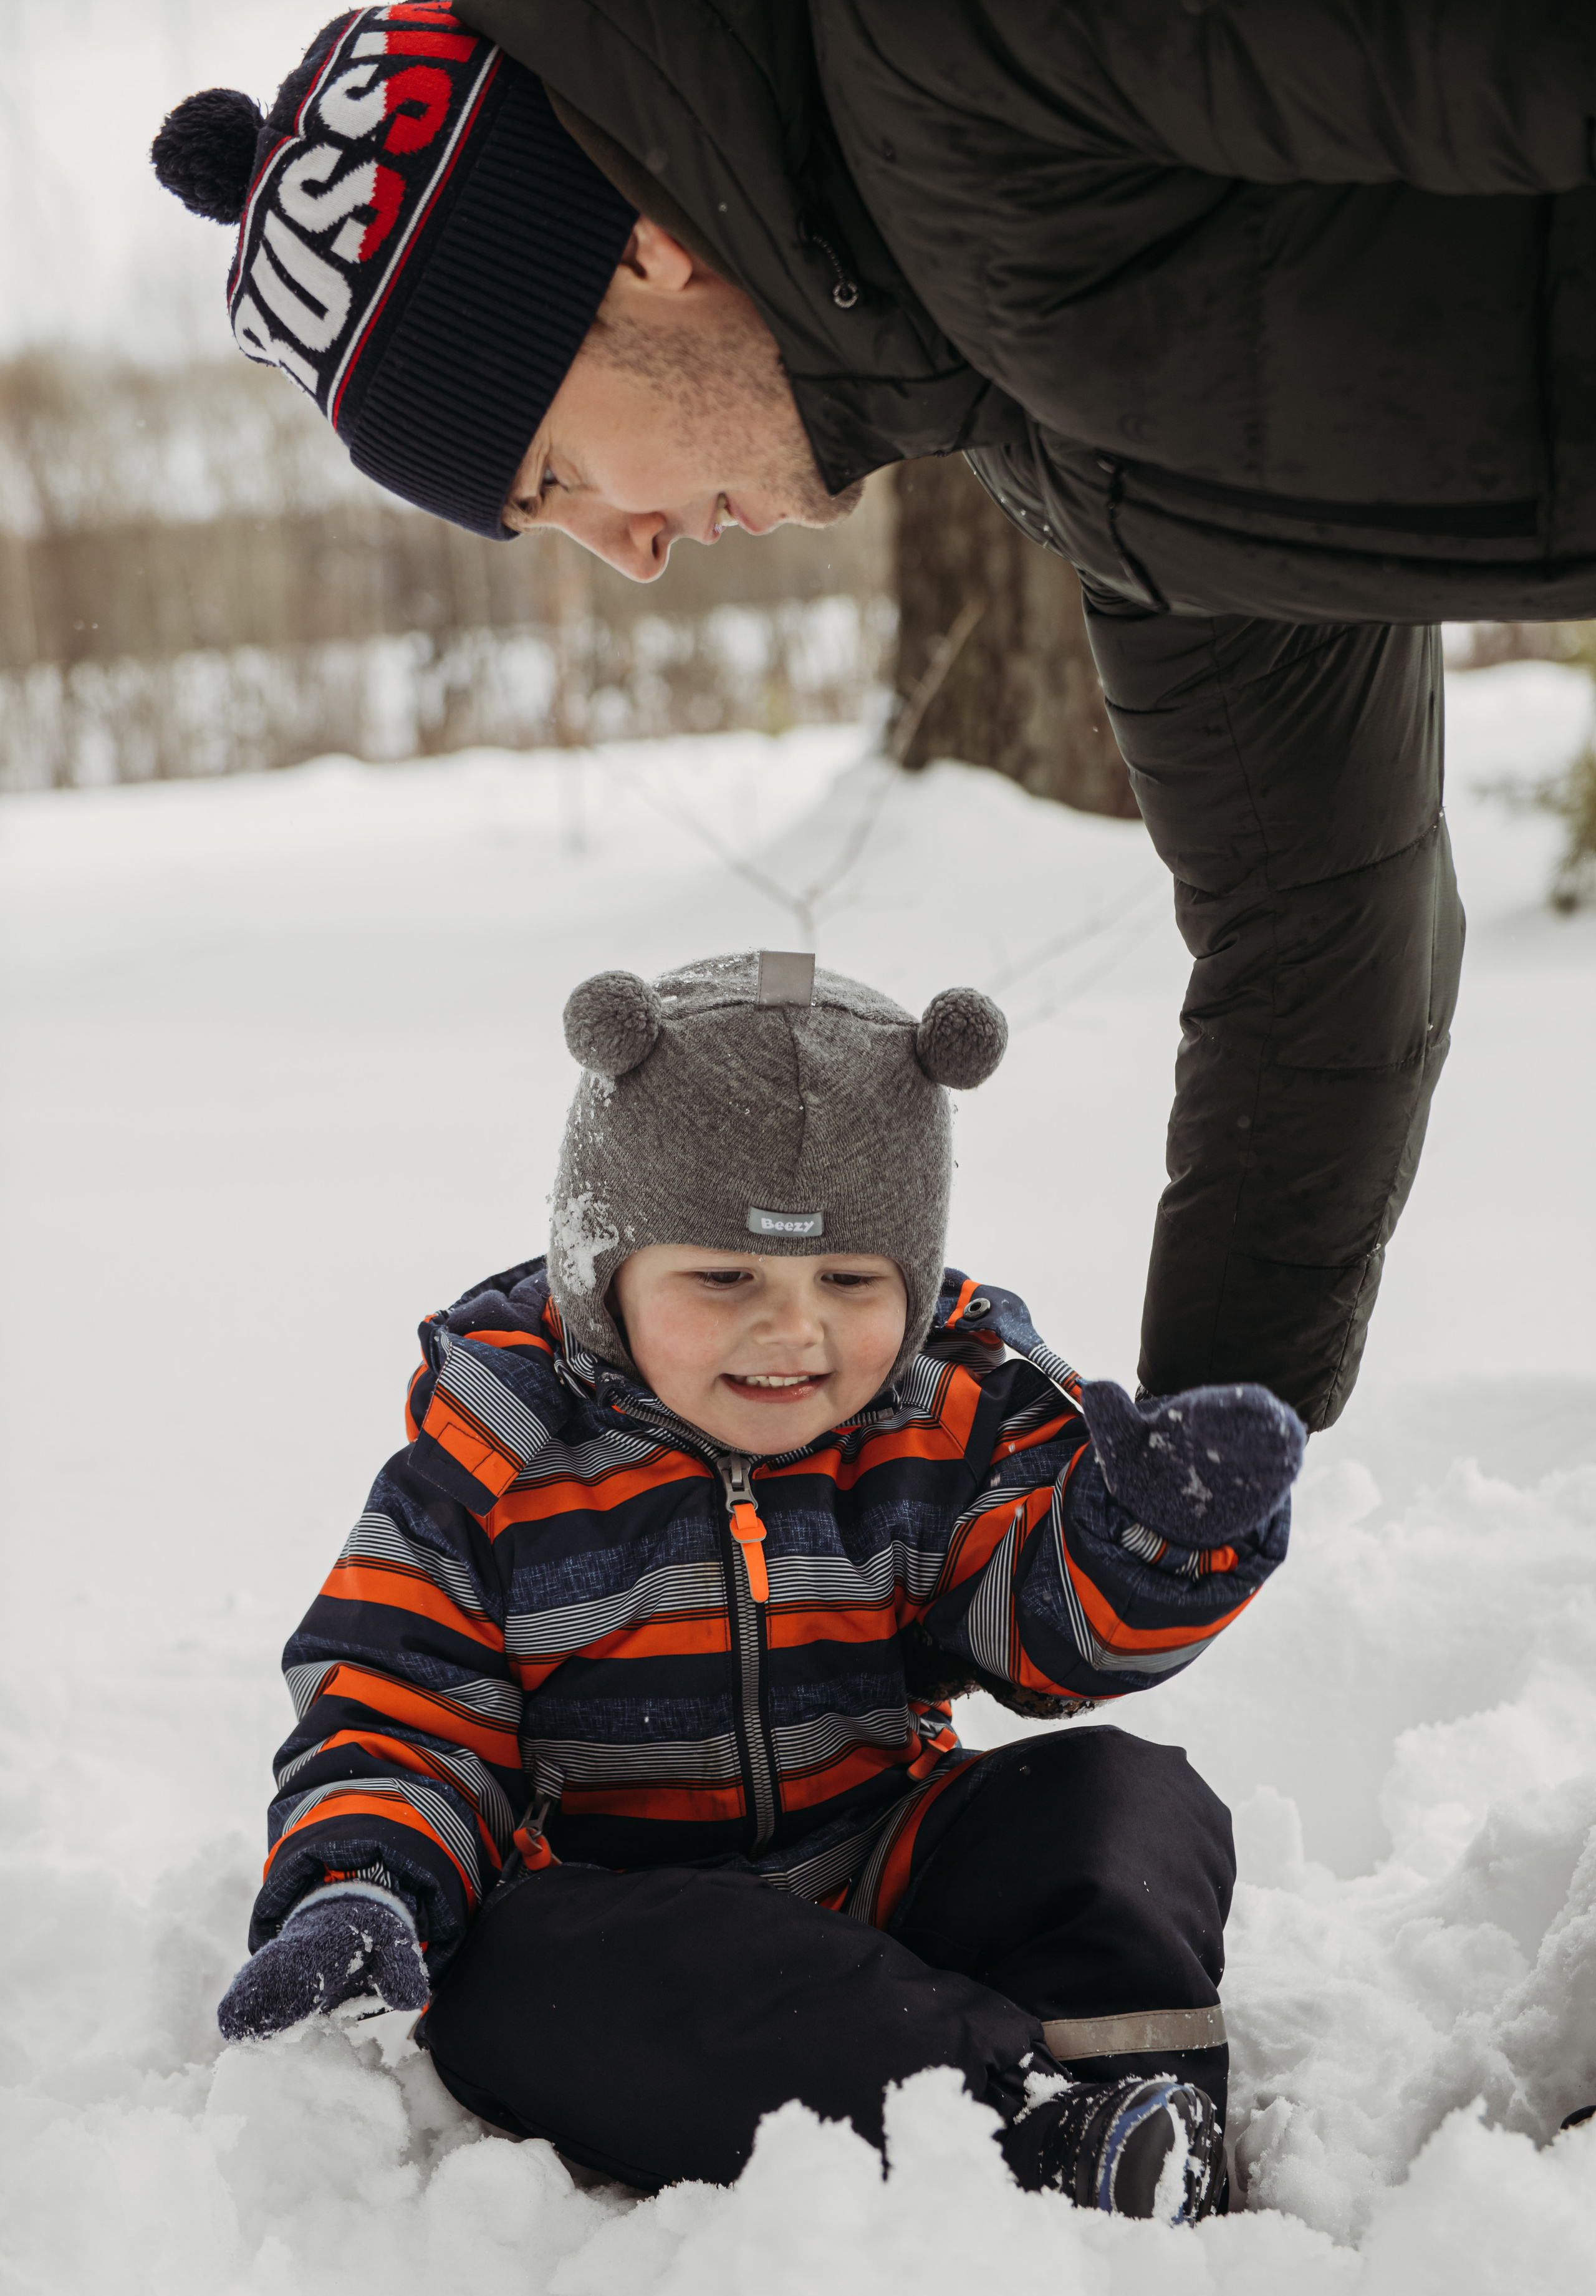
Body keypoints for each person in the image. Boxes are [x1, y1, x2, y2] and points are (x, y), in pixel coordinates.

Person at [153, 2, 1594, 1430]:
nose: (631, 549)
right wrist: (1199, 1469)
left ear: (639, 253)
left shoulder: (950, 45)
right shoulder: (1071, 449)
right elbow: (1314, 932)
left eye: (553, 476)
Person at [215, 947, 1304, 2219]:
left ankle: (1131, 2095)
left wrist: (1150, 1542)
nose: (792, 1331)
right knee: (520, 1980)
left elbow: (1046, 1629)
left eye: (848, 1281)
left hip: (881, 1872)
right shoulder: (490, 1465)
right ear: (602, 1273)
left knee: (1119, 1795)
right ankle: (1024, 2133)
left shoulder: (940, 1414)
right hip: (627, 1933)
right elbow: (397, 1714)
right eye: (723, 1276)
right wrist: (363, 1883)